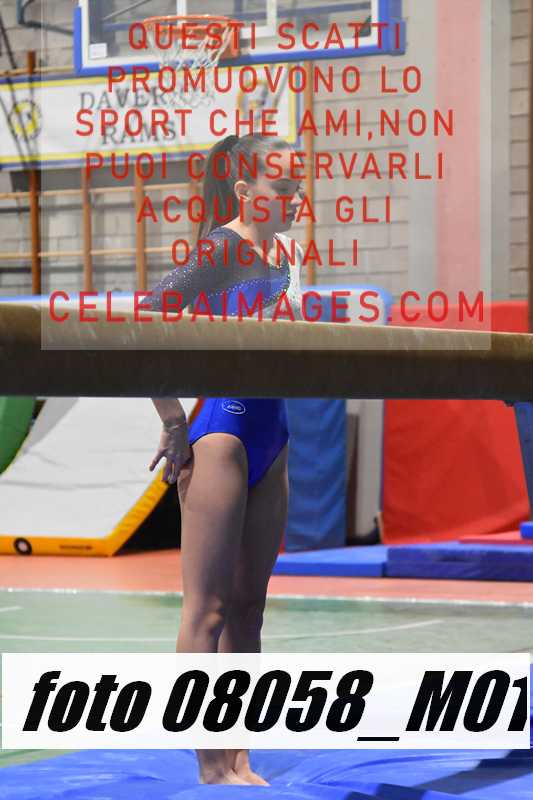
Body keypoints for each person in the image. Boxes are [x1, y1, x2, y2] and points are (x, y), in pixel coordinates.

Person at [144, 132, 304, 785]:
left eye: (298, 190)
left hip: (273, 435)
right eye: (281, 190)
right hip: (223, 435)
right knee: (206, 610)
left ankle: (240, 754)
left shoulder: (281, 254)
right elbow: (146, 319)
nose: (294, 201)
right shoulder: (220, 249)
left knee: (248, 613)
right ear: (244, 191)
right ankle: (211, 764)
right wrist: (173, 419)